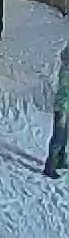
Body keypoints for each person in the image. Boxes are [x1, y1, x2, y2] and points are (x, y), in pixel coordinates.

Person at [43, 44, 69, 179]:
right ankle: (50, 166)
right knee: (58, 137)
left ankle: (61, 160)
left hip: (66, 105)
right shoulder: (66, 70)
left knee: (64, 136)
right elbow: (65, 89)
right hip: (62, 106)